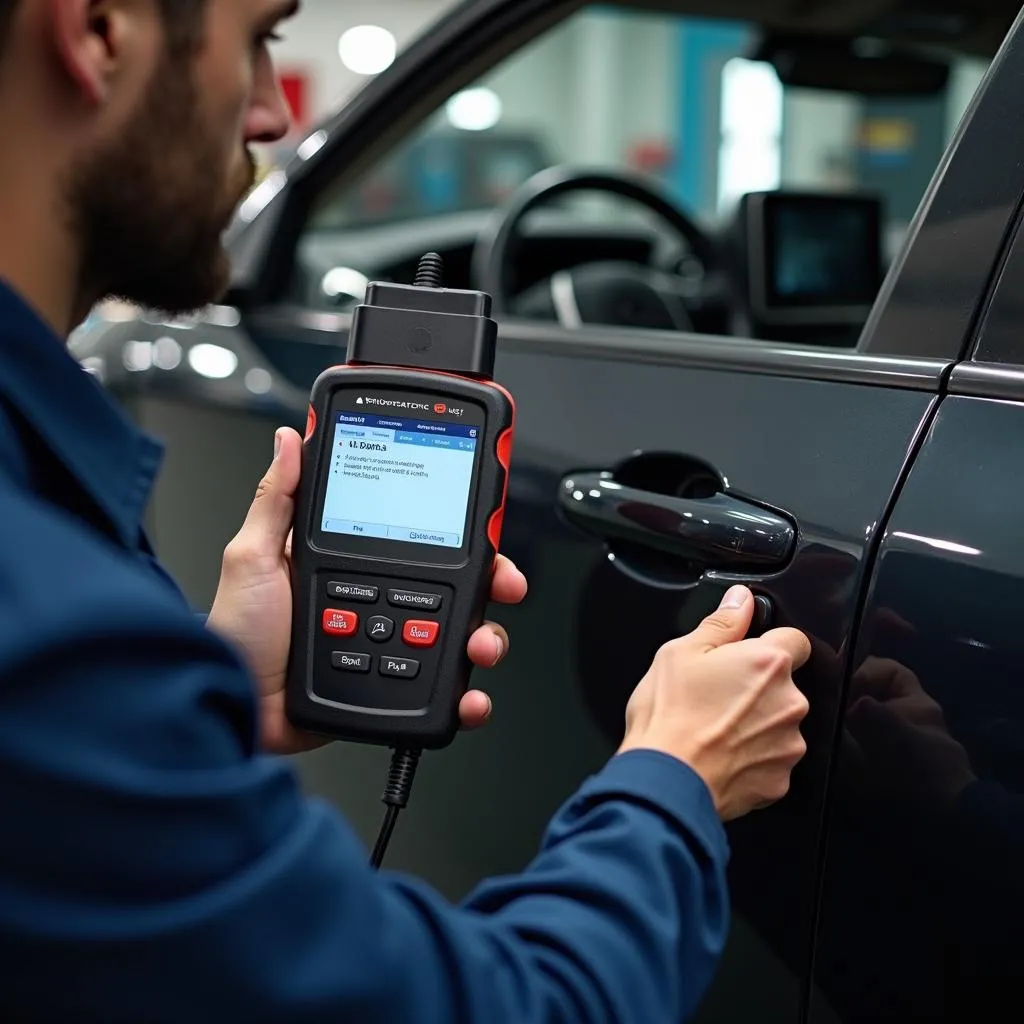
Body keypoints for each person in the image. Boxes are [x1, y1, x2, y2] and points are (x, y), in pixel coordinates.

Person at [0, 1, 812, 1021]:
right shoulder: (50, 637)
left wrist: (201, 722)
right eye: (257, 39)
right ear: (98, 29)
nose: (267, 113)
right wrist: (674, 778)